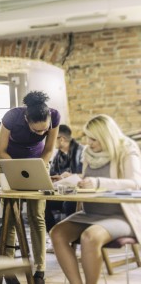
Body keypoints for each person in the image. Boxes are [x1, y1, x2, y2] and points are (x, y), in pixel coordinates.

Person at [50, 114, 141, 284]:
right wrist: (73, 178)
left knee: (89, 237)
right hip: (90, 213)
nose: (89, 143)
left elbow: (135, 183)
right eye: (88, 138)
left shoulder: (127, 149)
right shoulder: (88, 152)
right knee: (57, 233)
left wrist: (98, 182)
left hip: (121, 215)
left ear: (107, 137)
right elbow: (88, 179)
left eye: (94, 139)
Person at [0, 90, 60, 284]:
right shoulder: (12, 117)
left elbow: (49, 149)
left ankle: (40, 269)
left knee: (37, 215)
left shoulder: (55, 116)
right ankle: (7, 268)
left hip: (38, 162)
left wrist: (38, 168)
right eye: (36, 131)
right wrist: (19, 168)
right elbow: (0, 150)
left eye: (44, 130)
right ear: (26, 119)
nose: (41, 134)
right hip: (8, 163)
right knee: (11, 216)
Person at [45, 124, 83, 232]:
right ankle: (53, 233)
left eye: (53, 138)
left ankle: (72, 235)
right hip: (61, 191)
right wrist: (56, 178)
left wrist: (71, 176)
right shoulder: (58, 155)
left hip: (78, 193)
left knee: (69, 203)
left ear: (61, 139)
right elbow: (53, 172)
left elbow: (88, 175)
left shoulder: (82, 152)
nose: (51, 141)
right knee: (43, 202)